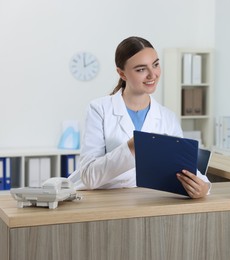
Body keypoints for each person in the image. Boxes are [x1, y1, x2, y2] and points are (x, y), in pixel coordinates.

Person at [68, 36, 210, 199]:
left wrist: (203, 187)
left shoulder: (167, 117)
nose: (152, 75)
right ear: (122, 73)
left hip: (146, 201)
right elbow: (89, 176)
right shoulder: (99, 109)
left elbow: (184, 167)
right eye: (141, 69)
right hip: (105, 200)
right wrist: (132, 147)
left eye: (155, 65)